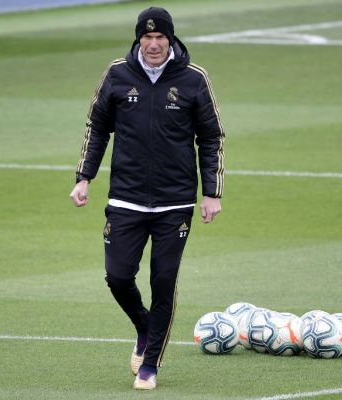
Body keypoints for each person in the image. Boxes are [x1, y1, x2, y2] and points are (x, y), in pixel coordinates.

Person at [69, 6, 225, 390]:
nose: (154, 44)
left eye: (160, 38)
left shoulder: (193, 79)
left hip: (175, 203)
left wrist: (212, 193)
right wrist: (84, 177)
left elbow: (211, 137)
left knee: (163, 280)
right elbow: (97, 127)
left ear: (171, 39)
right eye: (147, 37)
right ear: (139, 38)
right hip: (126, 197)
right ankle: (145, 325)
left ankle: (150, 364)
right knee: (118, 276)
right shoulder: (117, 74)